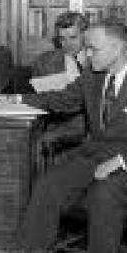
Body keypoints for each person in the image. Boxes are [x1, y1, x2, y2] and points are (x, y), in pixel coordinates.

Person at [0, 19, 127, 253]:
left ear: (118, 48)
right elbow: (60, 99)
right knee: (48, 185)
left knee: (105, 194)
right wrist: (16, 99)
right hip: (94, 154)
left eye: (92, 49)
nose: (86, 56)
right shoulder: (92, 76)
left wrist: (122, 161)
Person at [31, 11, 89, 149]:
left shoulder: (97, 60)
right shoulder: (43, 62)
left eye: (73, 37)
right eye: (62, 39)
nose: (67, 44)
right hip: (57, 122)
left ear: (85, 35)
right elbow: (40, 100)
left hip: (90, 123)